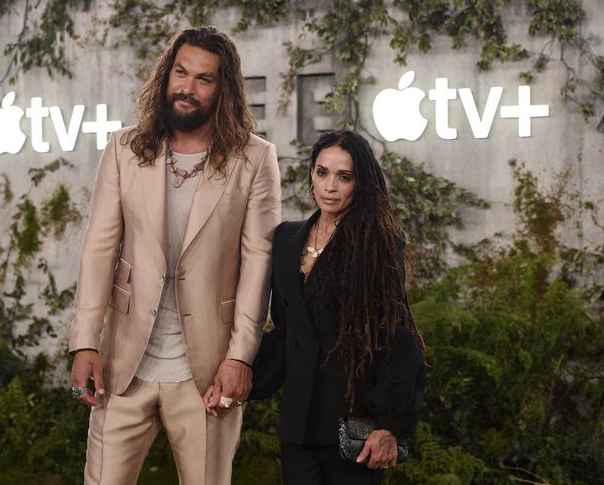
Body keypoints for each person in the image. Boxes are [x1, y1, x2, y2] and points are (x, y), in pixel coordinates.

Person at [68, 26, 281, 485]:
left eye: (204, 79)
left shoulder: (255, 159)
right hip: (124, 366)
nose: (187, 87)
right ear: (166, 75)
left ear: (223, 90)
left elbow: (259, 265)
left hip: (207, 372)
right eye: (180, 73)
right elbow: (99, 248)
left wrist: (241, 356)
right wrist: (85, 341)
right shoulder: (125, 149)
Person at [245, 130, 425, 485]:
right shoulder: (286, 239)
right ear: (311, 173)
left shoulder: (377, 243)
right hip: (298, 425)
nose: (330, 186)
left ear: (361, 183)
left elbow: (396, 334)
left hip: (352, 427)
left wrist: (390, 424)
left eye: (344, 177)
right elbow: (285, 333)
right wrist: (241, 377)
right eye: (322, 172)